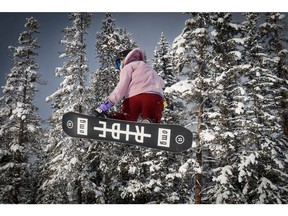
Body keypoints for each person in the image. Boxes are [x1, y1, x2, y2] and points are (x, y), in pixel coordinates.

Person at [94, 48, 165, 123]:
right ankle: (149, 123)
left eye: (118, 64)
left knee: (127, 118)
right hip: (155, 98)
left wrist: (106, 105)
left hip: (134, 98)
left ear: (124, 60)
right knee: (153, 117)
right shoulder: (150, 69)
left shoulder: (128, 67)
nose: (119, 68)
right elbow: (162, 83)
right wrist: (162, 103)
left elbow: (121, 87)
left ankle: (112, 119)